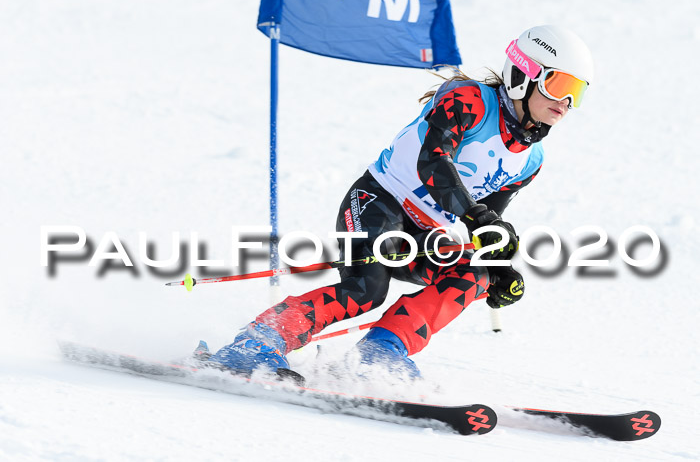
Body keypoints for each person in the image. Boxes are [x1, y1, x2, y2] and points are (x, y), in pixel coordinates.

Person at [208, 25, 594, 379]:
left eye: (576, 93)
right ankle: (256, 343)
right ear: (522, 74)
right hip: (378, 201)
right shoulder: (469, 100)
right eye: (558, 85)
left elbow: (485, 224)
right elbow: (433, 163)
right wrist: (477, 216)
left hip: (426, 234)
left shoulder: (530, 160)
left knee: (475, 275)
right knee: (365, 290)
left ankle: (380, 354)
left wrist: (498, 266)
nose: (565, 102)